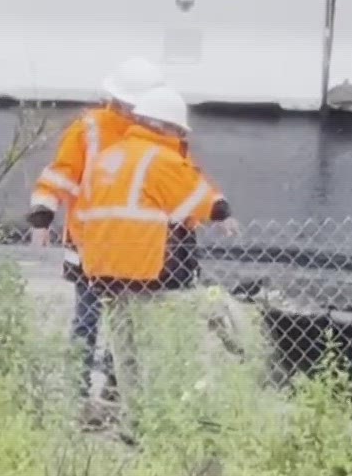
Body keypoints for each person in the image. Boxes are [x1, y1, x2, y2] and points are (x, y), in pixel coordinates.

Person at [71, 85, 231, 404]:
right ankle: (158, 413)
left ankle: (132, 420)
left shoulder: (109, 156)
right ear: (163, 126)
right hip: (146, 272)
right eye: (176, 128)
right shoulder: (160, 158)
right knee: (162, 343)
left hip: (102, 271)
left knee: (125, 349)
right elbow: (198, 205)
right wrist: (223, 209)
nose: (178, 134)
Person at [27, 57, 167, 392]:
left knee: (128, 321)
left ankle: (116, 384)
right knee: (89, 317)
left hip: (135, 247)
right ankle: (78, 386)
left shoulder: (158, 131)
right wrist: (43, 215)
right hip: (91, 244)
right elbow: (62, 173)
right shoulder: (90, 129)